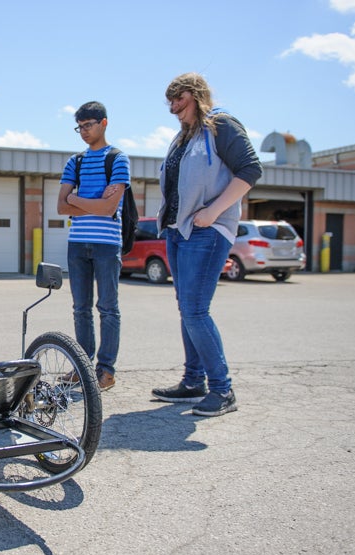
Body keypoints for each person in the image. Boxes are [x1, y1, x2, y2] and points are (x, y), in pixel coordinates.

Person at [151, 73, 263, 417]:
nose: (174, 108)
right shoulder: (184, 136)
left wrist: (213, 212)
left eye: (179, 100)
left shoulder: (220, 125)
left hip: (207, 230)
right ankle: (192, 381)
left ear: (197, 94)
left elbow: (250, 169)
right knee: (187, 308)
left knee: (196, 310)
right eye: (170, 102)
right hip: (178, 230)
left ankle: (223, 390)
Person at [57, 101, 130, 392]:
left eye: (89, 125)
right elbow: (61, 207)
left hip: (106, 244)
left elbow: (109, 207)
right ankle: (83, 368)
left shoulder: (117, 159)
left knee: (108, 308)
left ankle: (106, 371)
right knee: (80, 308)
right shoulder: (74, 162)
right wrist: (93, 204)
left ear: (104, 123)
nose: (84, 131)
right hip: (77, 244)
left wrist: (76, 200)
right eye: (80, 127)